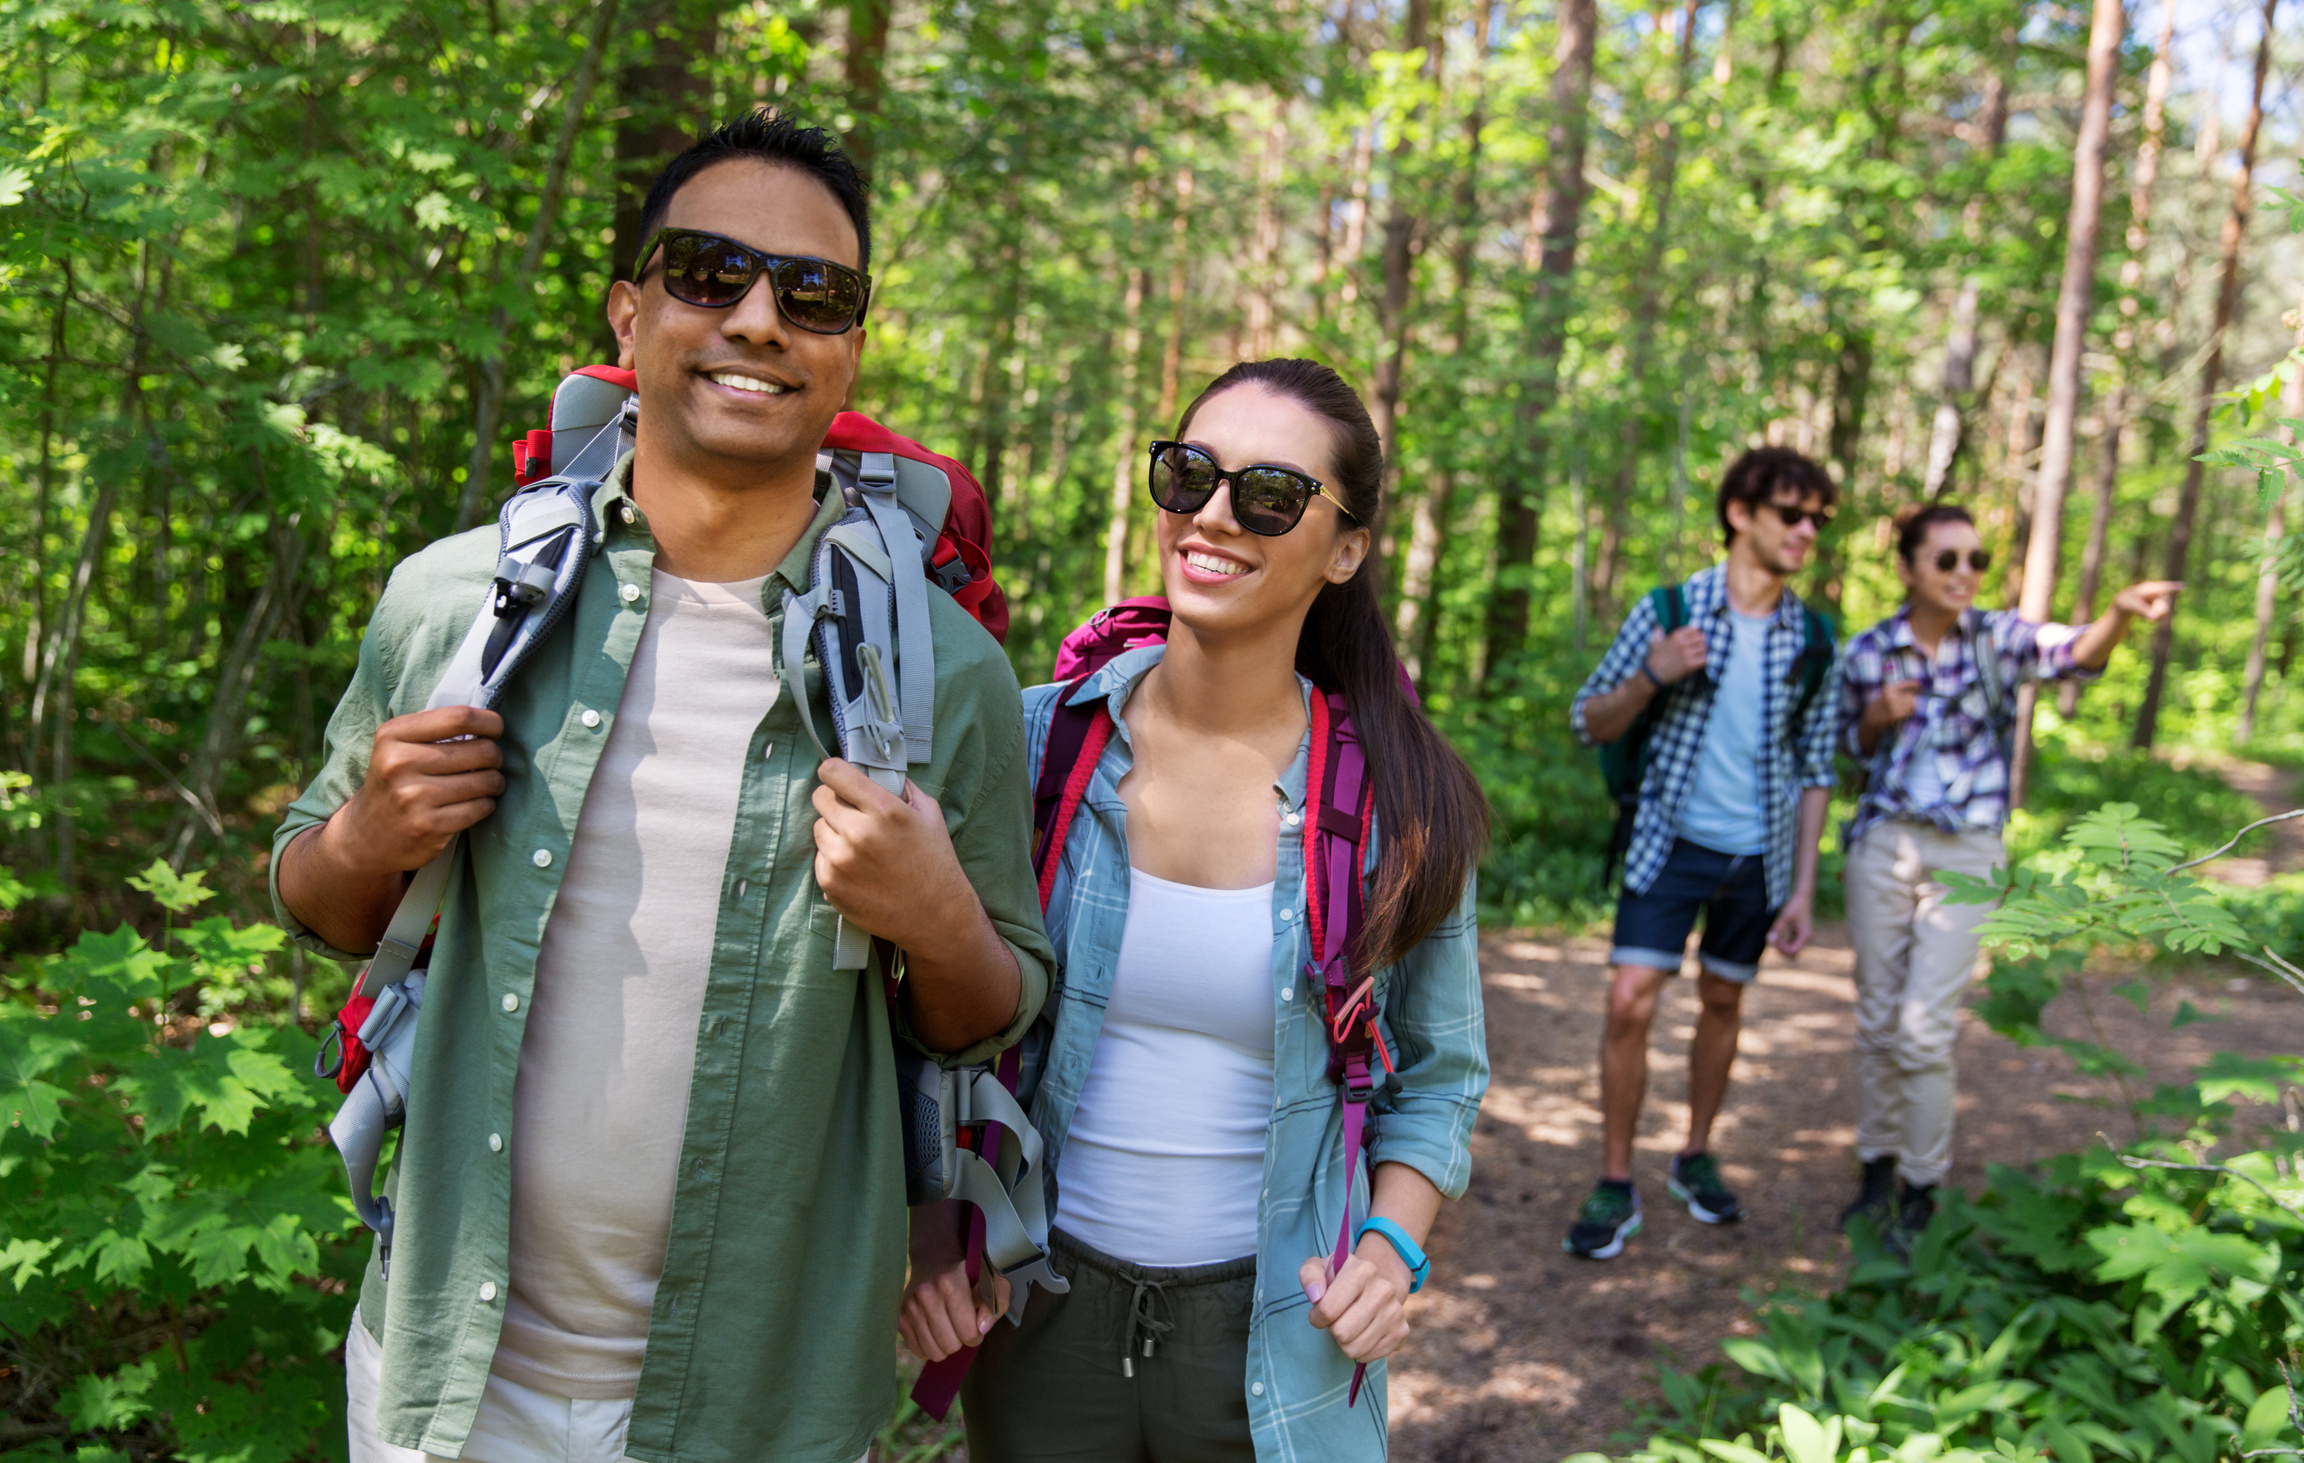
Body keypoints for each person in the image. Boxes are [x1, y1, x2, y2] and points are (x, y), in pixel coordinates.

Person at [272, 110, 1053, 1463]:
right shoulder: (456, 602)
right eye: (708, 273)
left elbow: (990, 1012)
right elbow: (320, 897)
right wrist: (364, 833)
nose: (759, 317)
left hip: (767, 1387)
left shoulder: (948, 673)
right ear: (630, 316)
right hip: (448, 1378)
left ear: (848, 345)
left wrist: (938, 918)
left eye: (812, 292)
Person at [897, 359, 1490, 1461]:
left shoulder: (1406, 800)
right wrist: (935, 1228)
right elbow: (924, 1012)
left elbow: (1442, 1073)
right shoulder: (1031, 744)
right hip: (1040, 1315)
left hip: (1283, 1338)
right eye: (1191, 475)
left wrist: (1386, 1253)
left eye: (1270, 495)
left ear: (1346, 547)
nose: (1215, 515)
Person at [1834, 503, 2179, 1247]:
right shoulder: (1866, 652)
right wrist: (1875, 718)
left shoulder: (1996, 637)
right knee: (1876, 1019)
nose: (1965, 574)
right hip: (1882, 843)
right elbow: (1846, 755)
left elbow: (2073, 654)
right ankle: (1873, 1174)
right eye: (1947, 560)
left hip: (1968, 852)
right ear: (1907, 568)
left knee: (1924, 1029)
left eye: (1976, 560)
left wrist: (2118, 614)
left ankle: (1920, 1192)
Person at [1563, 447, 1840, 1260]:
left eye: (1818, 520)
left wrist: (1802, 889)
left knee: (1725, 1001)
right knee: (1629, 1001)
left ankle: (1695, 1151)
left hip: (1758, 860)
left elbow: (1818, 767)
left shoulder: (1813, 638)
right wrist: (1653, 674)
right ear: (1740, 514)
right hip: (1669, 842)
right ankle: (1616, 1177)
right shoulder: (1669, 610)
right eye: (1792, 513)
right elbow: (1590, 720)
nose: (1806, 531)